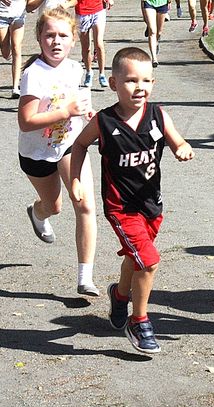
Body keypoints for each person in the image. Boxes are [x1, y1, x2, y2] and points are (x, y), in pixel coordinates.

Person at [70, 47, 195, 354]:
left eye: (147, 81)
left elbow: (178, 139)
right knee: (149, 261)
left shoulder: (158, 114)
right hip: (121, 207)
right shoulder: (104, 122)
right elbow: (79, 145)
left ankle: (120, 296)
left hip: (151, 204)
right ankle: (139, 321)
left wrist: (182, 148)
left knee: (135, 258)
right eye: (130, 81)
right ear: (113, 84)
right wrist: (74, 179)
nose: (140, 87)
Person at [17, 7, 99, 296]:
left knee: (86, 205)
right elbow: (26, 122)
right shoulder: (33, 75)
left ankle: (85, 277)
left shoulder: (75, 69)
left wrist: (88, 116)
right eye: (49, 35)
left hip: (69, 146)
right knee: (53, 206)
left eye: (63, 35)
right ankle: (37, 213)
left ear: (74, 40)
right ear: (39, 38)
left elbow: (80, 106)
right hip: (36, 154)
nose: (56, 41)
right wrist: (65, 111)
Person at [76, 0, 110, 88]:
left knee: (99, 44)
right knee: (86, 47)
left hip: (98, 9)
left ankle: (102, 74)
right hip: (82, 12)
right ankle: (89, 72)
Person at [0, 0, 26, 98]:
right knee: (5, 52)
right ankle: (8, 53)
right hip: (2, 15)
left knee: (16, 47)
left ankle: (15, 88)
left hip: (19, 14)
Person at [141, 0, 169, 66]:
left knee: (159, 32)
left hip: (163, 3)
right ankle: (154, 58)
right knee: (152, 31)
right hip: (148, 2)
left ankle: (156, 42)